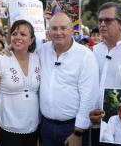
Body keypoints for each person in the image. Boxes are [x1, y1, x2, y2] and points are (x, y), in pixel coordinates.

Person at [39, 12, 100, 146]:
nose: (58, 32)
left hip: (72, 128)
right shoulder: (42, 51)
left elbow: (89, 97)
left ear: (72, 30)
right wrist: (8, 49)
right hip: (46, 127)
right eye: (54, 28)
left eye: (63, 28)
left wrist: (78, 132)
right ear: (49, 32)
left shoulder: (85, 56)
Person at [89, 2, 121, 146]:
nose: (102, 24)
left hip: (120, 126)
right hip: (95, 123)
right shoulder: (95, 50)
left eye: (108, 20)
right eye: (100, 20)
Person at [0, 20, 40, 146]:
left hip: (34, 127)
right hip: (8, 127)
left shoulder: (38, 58)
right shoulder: (0, 60)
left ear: (32, 40)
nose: (18, 37)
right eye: (14, 33)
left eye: (23, 34)